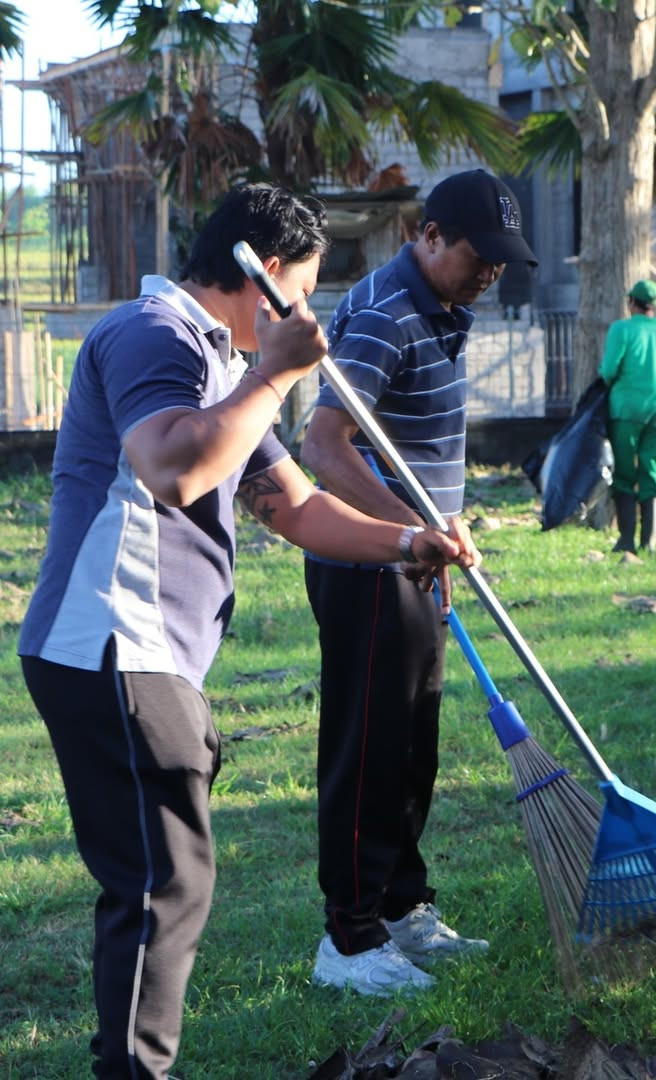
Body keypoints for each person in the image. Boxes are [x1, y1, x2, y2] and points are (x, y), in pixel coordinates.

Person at [16, 183, 468, 1079]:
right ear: (259, 275)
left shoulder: (224, 366)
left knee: (166, 879)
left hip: (149, 656)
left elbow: (293, 506)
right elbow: (174, 469)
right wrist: (277, 374)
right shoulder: (156, 333)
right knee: (161, 884)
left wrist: (408, 541)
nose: (305, 312)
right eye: (300, 288)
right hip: (110, 643)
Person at [300, 169, 538, 996]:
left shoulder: (443, 308)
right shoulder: (384, 313)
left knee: (413, 743)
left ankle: (402, 905)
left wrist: (431, 536)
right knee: (370, 749)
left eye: (503, 262)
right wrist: (410, 528)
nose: (491, 273)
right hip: (370, 560)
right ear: (429, 235)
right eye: (479, 255)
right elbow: (323, 447)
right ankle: (351, 936)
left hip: (417, 557)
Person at [599, 279, 656, 553]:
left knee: (624, 473)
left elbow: (609, 370)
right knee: (653, 474)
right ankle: (650, 542)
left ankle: (626, 540)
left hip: (626, 411)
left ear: (632, 302)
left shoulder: (622, 329)